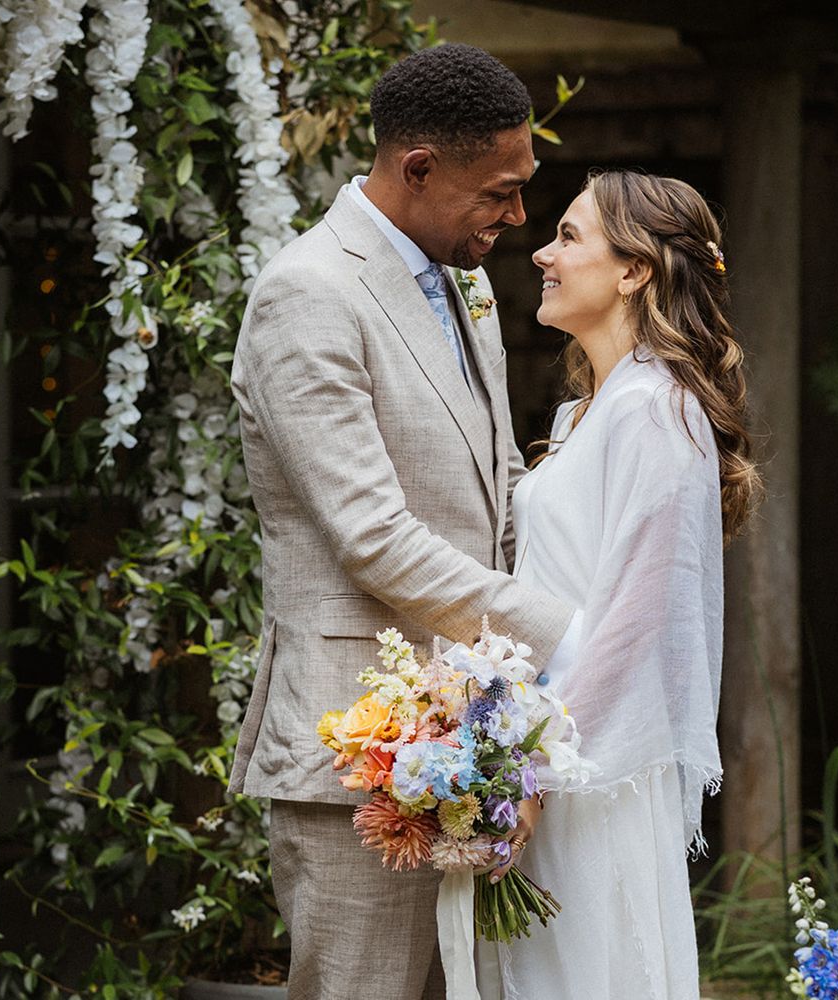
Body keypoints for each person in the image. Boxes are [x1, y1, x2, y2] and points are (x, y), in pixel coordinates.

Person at [227, 45, 578, 1000]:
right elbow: (373, 534)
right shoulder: (309, 293)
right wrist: (560, 633)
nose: (517, 218)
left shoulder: (456, 281)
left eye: (524, 190)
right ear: (417, 167)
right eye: (499, 193)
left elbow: (498, 483)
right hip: (354, 747)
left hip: (475, 736)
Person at [476, 169, 761, 999]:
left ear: (635, 270)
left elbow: (636, 621)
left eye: (569, 236)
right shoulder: (582, 414)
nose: (542, 253)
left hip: (584, 772)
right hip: (538, 754)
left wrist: (537, 771)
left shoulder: (656, 411)